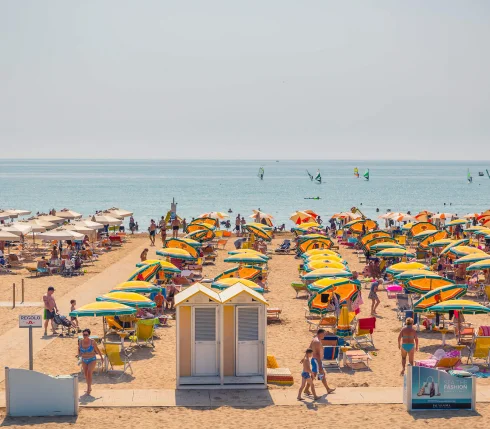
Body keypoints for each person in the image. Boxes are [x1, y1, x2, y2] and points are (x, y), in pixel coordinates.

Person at [305, 329, 336, 395]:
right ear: (320, 334)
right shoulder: (317, 342)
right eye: (324, 333)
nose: (325, 335)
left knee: (315, 375)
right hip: (317, 361)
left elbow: (309, 349)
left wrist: (305, 357)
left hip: (314, 360)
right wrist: (320, 365)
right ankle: (327, 389)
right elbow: (317, 354)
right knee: (320, 374)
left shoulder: (314, 339)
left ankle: (306, 389)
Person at [78, 328, 103, 395]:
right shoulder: (80, 342)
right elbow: (79, 351)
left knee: (89, 373)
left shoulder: (92, 342)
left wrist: (101, 357)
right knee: (86, 374)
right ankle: (89, 386)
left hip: (92, 359)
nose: (85, 336)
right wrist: (78, 355)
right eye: (83, 334)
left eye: (86, 334)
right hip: (84, 359)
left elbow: (97, 350)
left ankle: (88, 388)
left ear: (89, 335)